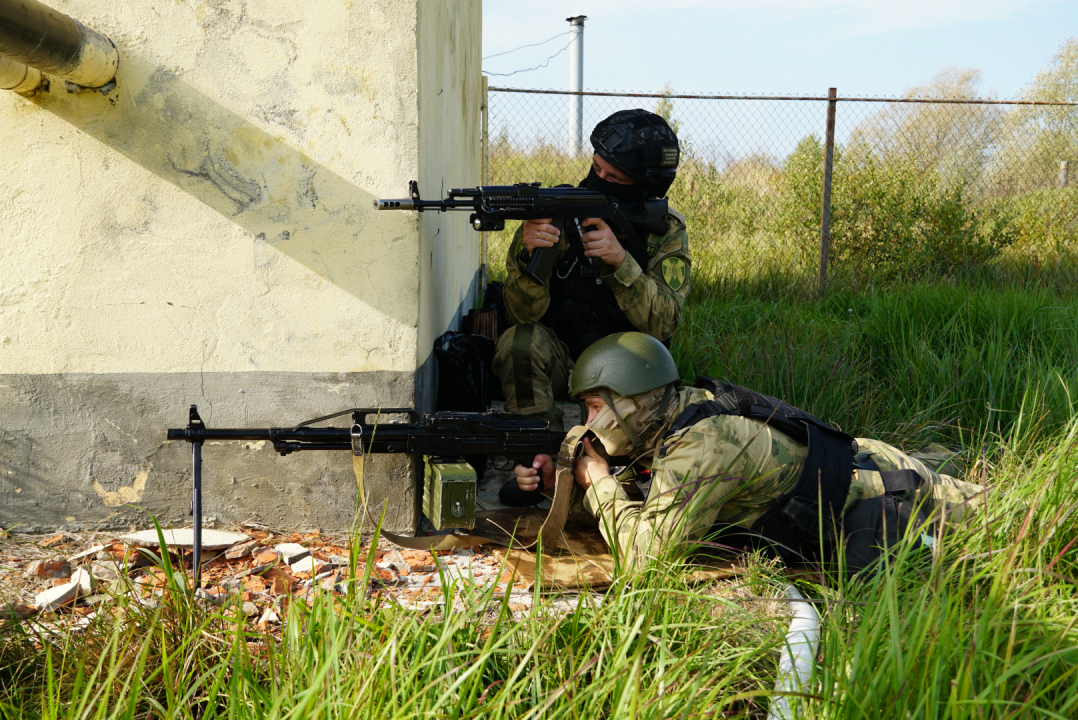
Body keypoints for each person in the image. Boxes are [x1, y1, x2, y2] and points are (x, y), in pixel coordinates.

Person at [512, 332, 988, 575]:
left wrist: (596, 480)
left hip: (883, 482)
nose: (589, 420)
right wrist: (564, 486)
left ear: (632, 400)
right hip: (850, 477)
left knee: (999, 521)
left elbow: (646, 557)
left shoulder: (703, 443)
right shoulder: (665, 422)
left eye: (596, 406)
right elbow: (645, 498)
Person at [492, 109, 691, 441]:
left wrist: (621, 263)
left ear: (644, 186)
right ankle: (534, 451)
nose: (599, 180)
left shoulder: (664, 230)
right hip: (559, 356)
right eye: (596, 168)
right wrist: (532, 258)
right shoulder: (555, 214)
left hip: (623, 364)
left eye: (613, 178)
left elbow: (664, 324)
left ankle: (596, 464)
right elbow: (519, 316)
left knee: (609, 454)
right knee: (519, 342)